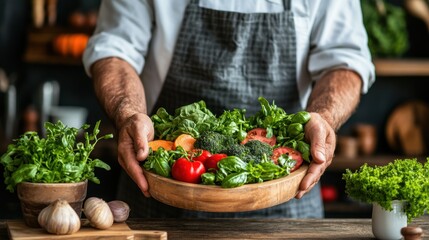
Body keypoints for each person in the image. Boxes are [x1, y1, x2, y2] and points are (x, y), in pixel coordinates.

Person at [83, 0, 375, 218]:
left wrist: (322, 117)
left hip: (287, 192)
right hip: (164, 189)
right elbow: (114, 50)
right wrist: (129, 115)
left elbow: (344, 61)